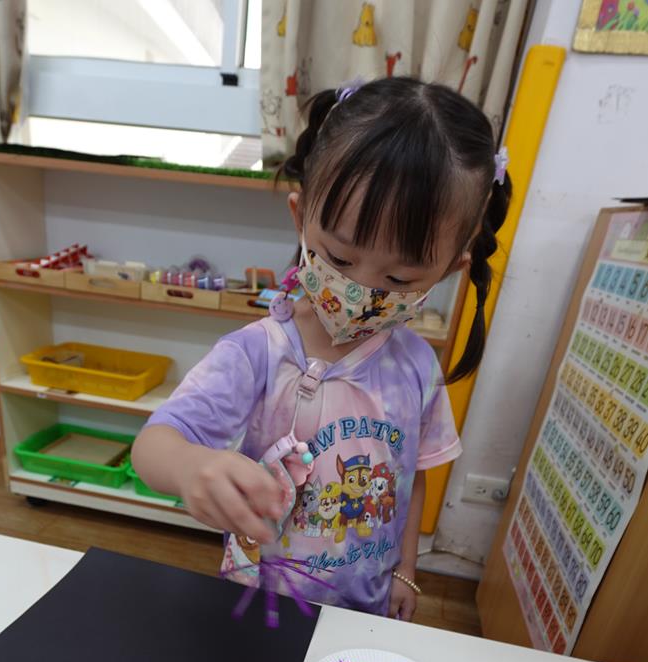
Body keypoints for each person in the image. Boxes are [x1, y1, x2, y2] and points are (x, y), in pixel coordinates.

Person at [131, 76, 512, 620]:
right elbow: (154, 444)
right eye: (339, 258)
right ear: (301, 217)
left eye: (400, 278)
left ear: (452, 269)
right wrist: (189, 465)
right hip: (262, 603)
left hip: (366, 606)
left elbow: (413, 475)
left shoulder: (417, 365)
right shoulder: (259, 351)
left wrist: (406, 570)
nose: (361, 289)